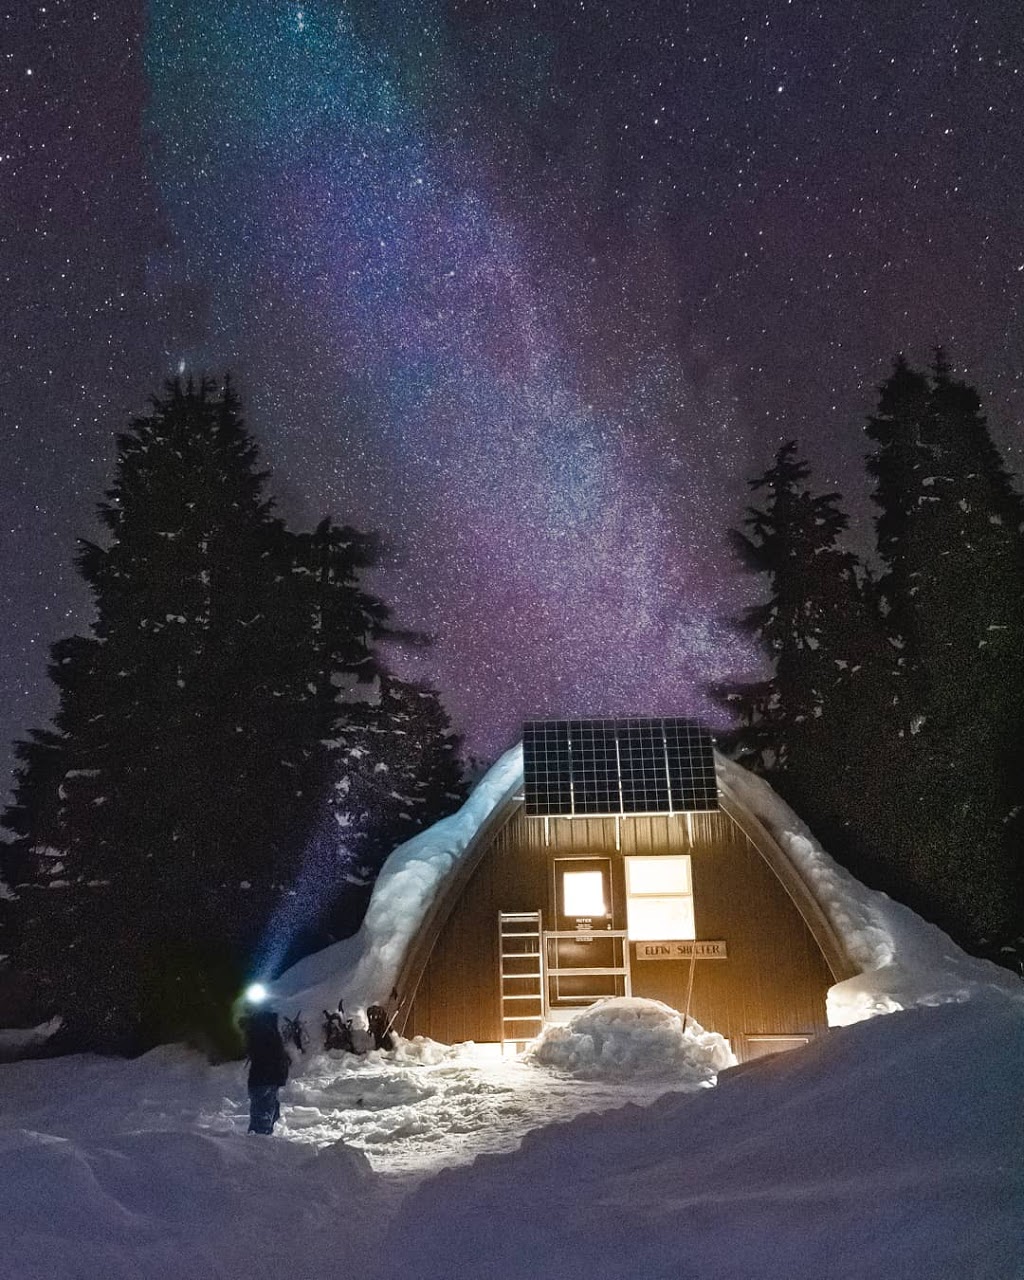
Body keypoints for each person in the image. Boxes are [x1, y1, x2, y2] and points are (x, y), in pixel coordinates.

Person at [242, 1007, 291, 1135]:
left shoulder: (263, 1030)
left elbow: (276, 1055)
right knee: (263, 1118)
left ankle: (259, 1140)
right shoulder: (264, 1031)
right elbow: (274, 1055)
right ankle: (258, 1145)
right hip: (264, 1080)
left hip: (266, 1079)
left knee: (268, 1114)